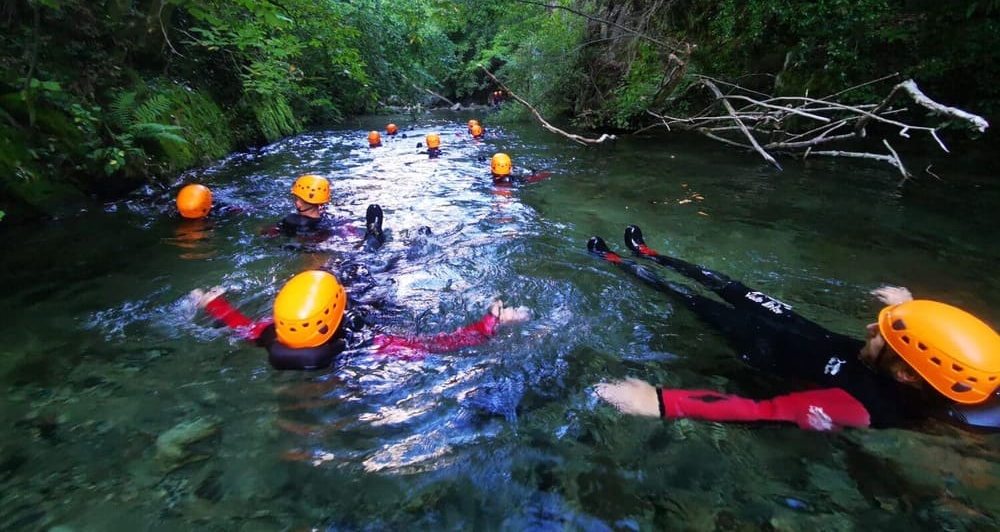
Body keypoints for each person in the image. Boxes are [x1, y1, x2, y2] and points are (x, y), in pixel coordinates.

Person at [592, 226, 1000, 432]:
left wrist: (662, 401)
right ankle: (648, 252)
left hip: (761, 345)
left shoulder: (864, 406)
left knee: (689, 298)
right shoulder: (930, 376)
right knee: (728, 284)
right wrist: (908, 315)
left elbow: (762, 411)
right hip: (795, 327)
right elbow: (949, 347)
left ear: (906, 373)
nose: (869, 329)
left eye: (882, 336)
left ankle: (613, 260)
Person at [189, 270, 531, 370]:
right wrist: (490, 321)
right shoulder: (371, 345)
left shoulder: (269, 334)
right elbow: (440, 344)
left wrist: (213, 305)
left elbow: (242, 325)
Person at [263, 174, 385, 250]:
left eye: (295, 198)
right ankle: (371, 236)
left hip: (316, 244)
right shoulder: (329, 217)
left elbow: (268, 233)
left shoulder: (291, 220)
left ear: (298, 203)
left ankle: (370, 241)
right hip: (333, 231)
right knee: (351, 234)